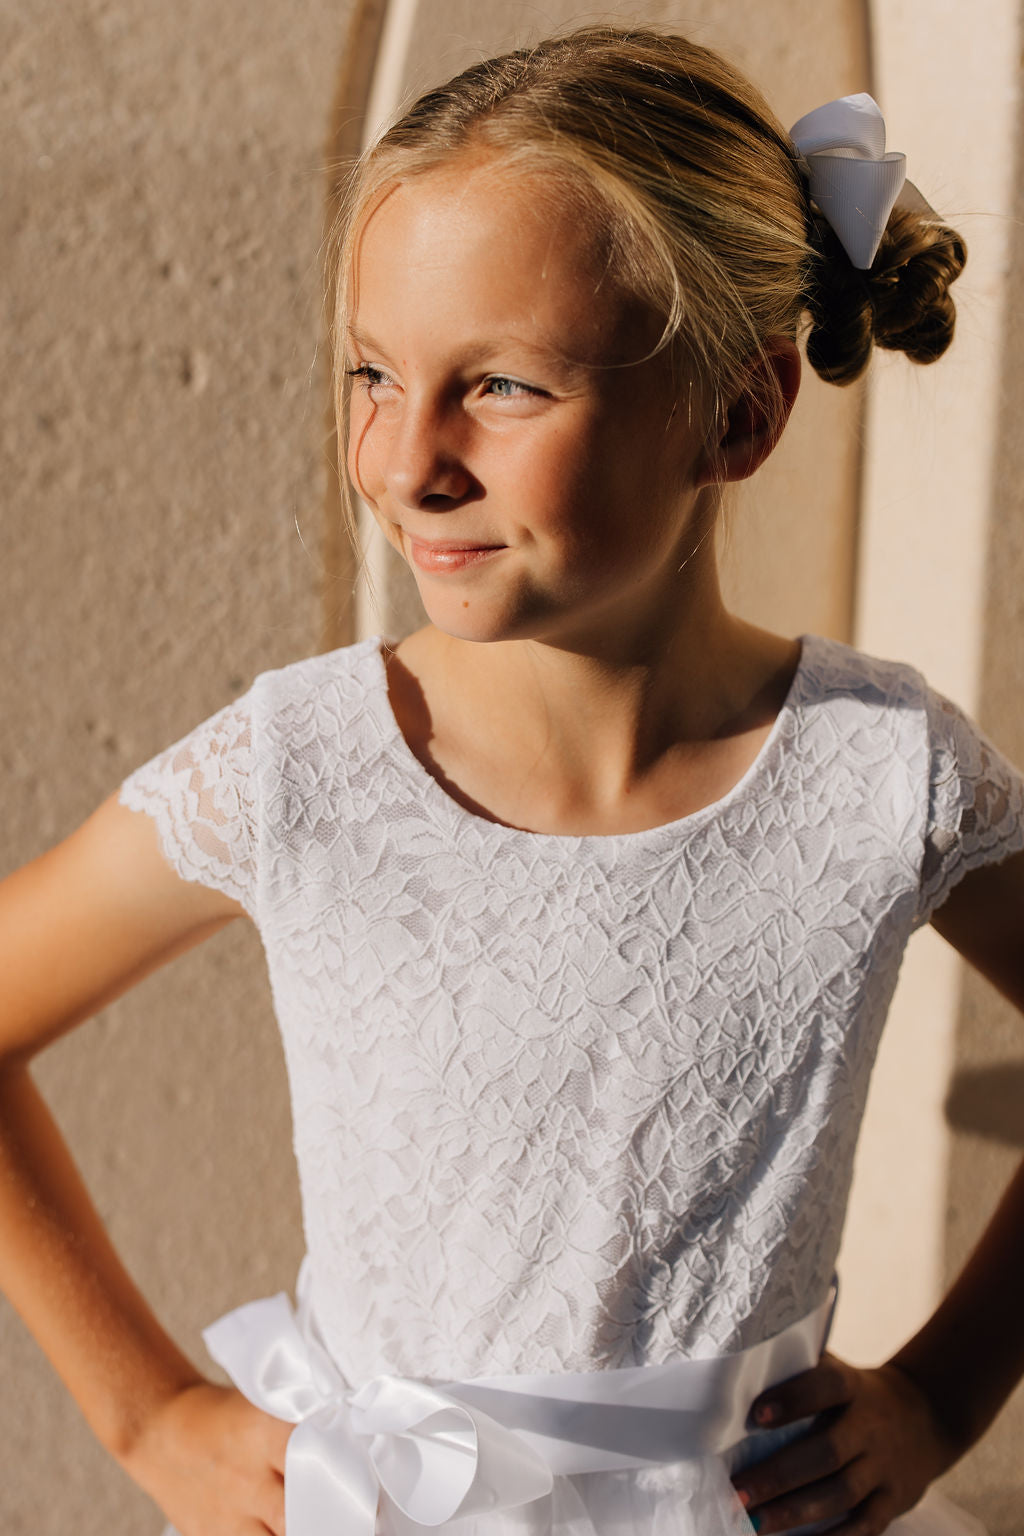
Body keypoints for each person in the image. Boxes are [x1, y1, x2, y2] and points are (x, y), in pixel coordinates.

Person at [1, 22, 1022, 1536]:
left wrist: (946, 1392)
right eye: (373, 373)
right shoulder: (303, 772)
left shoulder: (883, 775)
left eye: (502, 388)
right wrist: (149, 1413)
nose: (408, 463)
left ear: (741, 411)